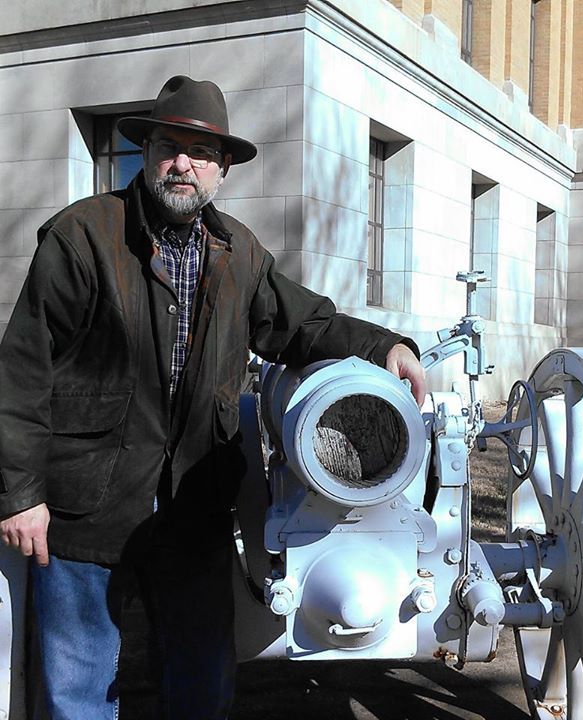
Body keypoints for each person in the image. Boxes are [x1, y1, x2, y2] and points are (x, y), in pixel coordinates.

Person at [0, 75, 425, 720]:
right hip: (84, 504)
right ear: (147, 154)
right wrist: (21, 494)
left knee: (201, 684)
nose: (183, 165)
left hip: (193, 507)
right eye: (170, 147)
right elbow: (24, 371)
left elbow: (300, 323)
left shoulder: (236, 252)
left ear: (222, 168)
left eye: (200, 154)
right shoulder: (82, 236)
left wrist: (384, 345)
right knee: (77, 691)